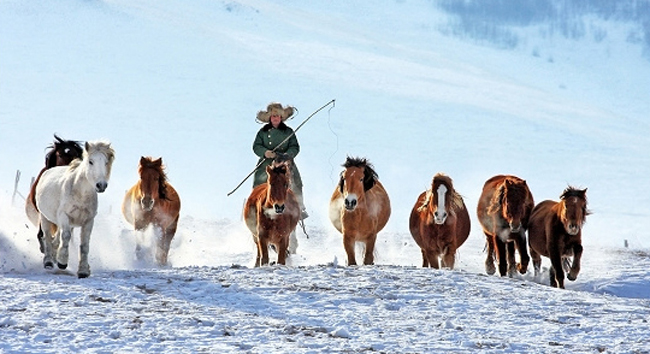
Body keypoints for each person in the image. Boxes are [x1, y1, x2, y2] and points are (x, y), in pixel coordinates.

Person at [252, 102, 308, 220]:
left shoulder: (288, 132)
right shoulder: (263, 133)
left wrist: (287, 155)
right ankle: (254, 207)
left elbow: (295, 147)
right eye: (273, 116)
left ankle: (299, 207)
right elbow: (256, 146)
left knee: (296, 182)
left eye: (277, 116)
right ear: (269, 118)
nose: (275, 118)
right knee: (259, 183)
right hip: (266, 165)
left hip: (285, 164)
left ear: (281, 118)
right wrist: (266, 153)